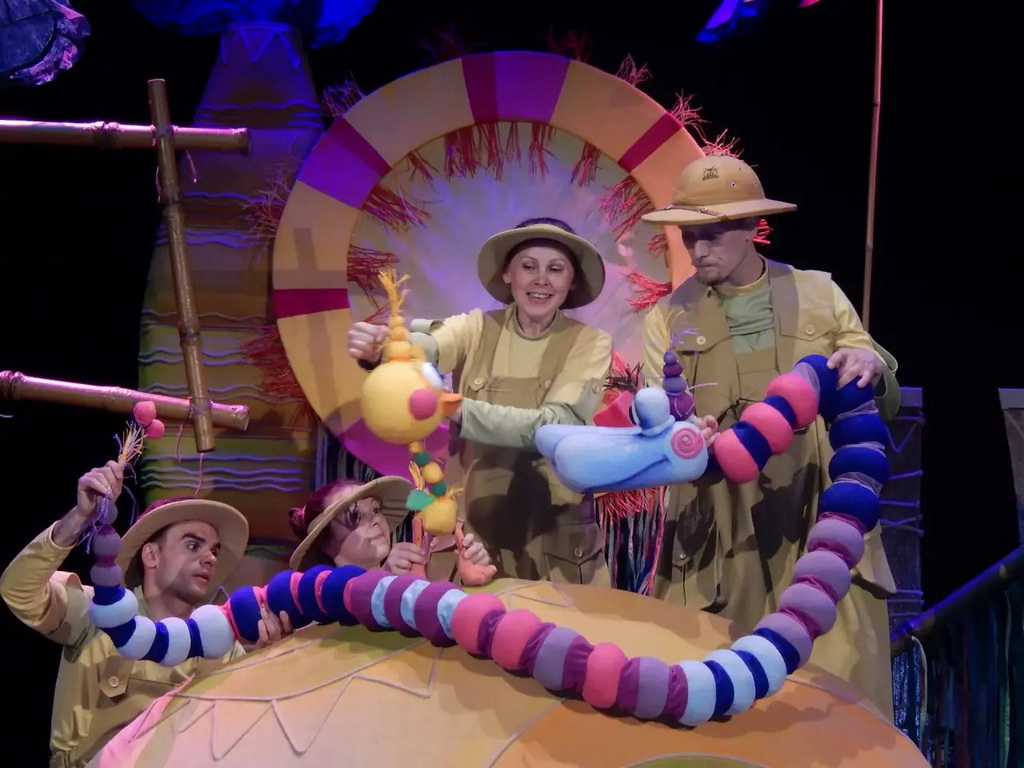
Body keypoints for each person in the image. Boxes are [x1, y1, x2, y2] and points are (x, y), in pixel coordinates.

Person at [640, 155, 900, 720]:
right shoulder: (668, 318)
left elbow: (877, 382)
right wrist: (683, 435)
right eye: (689, 236)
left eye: (711, 235)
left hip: (818, 513)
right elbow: (656, 417)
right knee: (728, 707)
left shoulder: (818, 293)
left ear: (749, 228)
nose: (698, 250)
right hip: (722, 529)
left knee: (838, 706)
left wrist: (870, 365)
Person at [347, 217, 614, 585]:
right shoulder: (474, 327)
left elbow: (554, 425)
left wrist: (454, 407)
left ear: (572, 282)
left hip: (553, 532)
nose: (541, 280)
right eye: (528, 266)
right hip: (473, 534)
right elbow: (427, 346)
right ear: (508, 274)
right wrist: (384, 350)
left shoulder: (591, 343)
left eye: (555, 269)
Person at [0, 461, 291, 768]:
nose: (209, 558)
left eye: (215, 551)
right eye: (193, 545)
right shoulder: (97, 611)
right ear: (151, 555)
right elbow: (17, 591)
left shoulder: (221, 643)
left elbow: (246, 733)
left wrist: (266, 664)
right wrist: (79, 518)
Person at [288, 476, 494, 580]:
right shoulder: (322, 605)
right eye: (356, 516)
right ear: (326, 541)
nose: (375, 520)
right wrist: (384, 582)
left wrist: (470, 579)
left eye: (376, 509)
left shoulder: (409, 577)